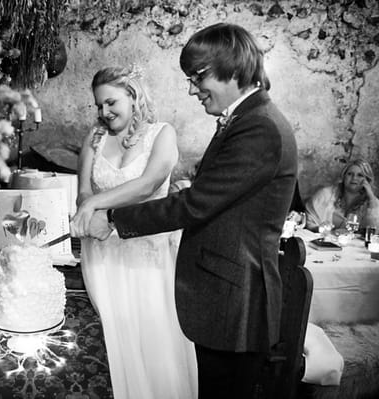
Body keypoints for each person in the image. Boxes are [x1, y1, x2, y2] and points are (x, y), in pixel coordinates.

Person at [71, 23, 298, 398]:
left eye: (198, 77)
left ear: (234, 69)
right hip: (220, 296)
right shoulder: (246, 121)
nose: (192, 88)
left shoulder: (260, 127)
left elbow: (195, 204)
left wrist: (111, 218)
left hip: (234, 302)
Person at [72, 65, 198, 399]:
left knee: (152, 341)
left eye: (111, 102)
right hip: (103, 253)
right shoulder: (94, 136)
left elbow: (147, 185)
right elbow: (83, 191)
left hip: (147, 257)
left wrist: (95, 205)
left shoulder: (163, 134)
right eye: (98, 105)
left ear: (132, 95)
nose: (104, 112)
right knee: (113, 341)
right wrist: (88, 206)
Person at [305, 159, 379, 232]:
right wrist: (319, 229)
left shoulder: (372, 203)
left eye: (360, 175)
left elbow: (374, 232)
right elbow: (309, 222)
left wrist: (371, 199)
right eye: (350, 174)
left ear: (367, 180)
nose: (354, 178)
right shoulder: (325, 194)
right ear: (344, 176)